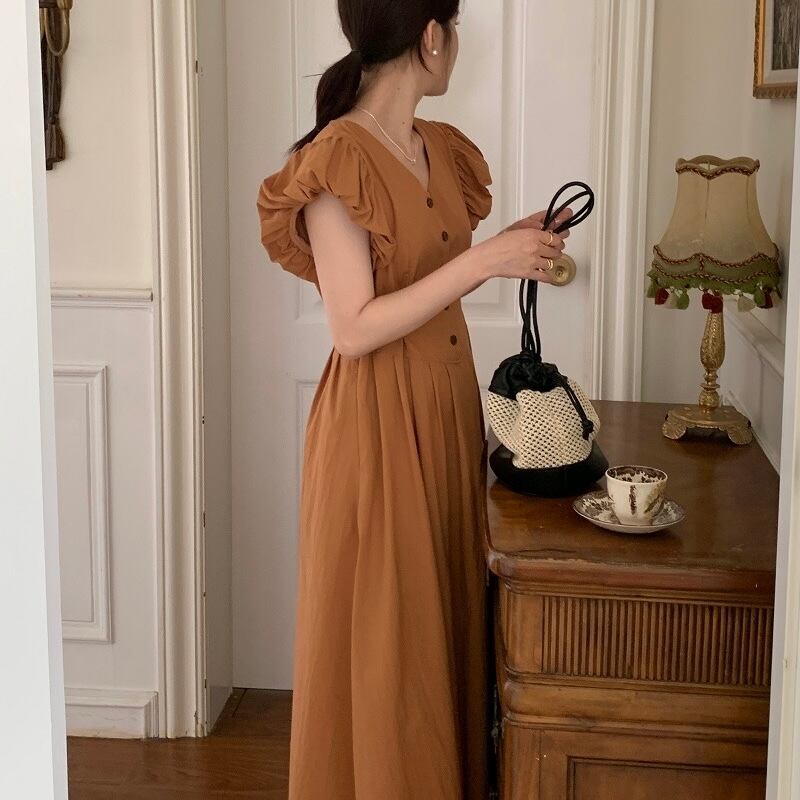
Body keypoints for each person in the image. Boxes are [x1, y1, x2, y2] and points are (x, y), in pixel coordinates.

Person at [256, 2, 570, 797]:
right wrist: (487, 261)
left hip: (442, 409)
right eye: (454, 29)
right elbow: (353, 327)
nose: (456, 45)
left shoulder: (436, 146)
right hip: (377, 425)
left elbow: (428, 266)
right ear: (432, 36)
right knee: (390, 638)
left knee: (439, 621)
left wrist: (513, 242)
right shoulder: (337, 159)